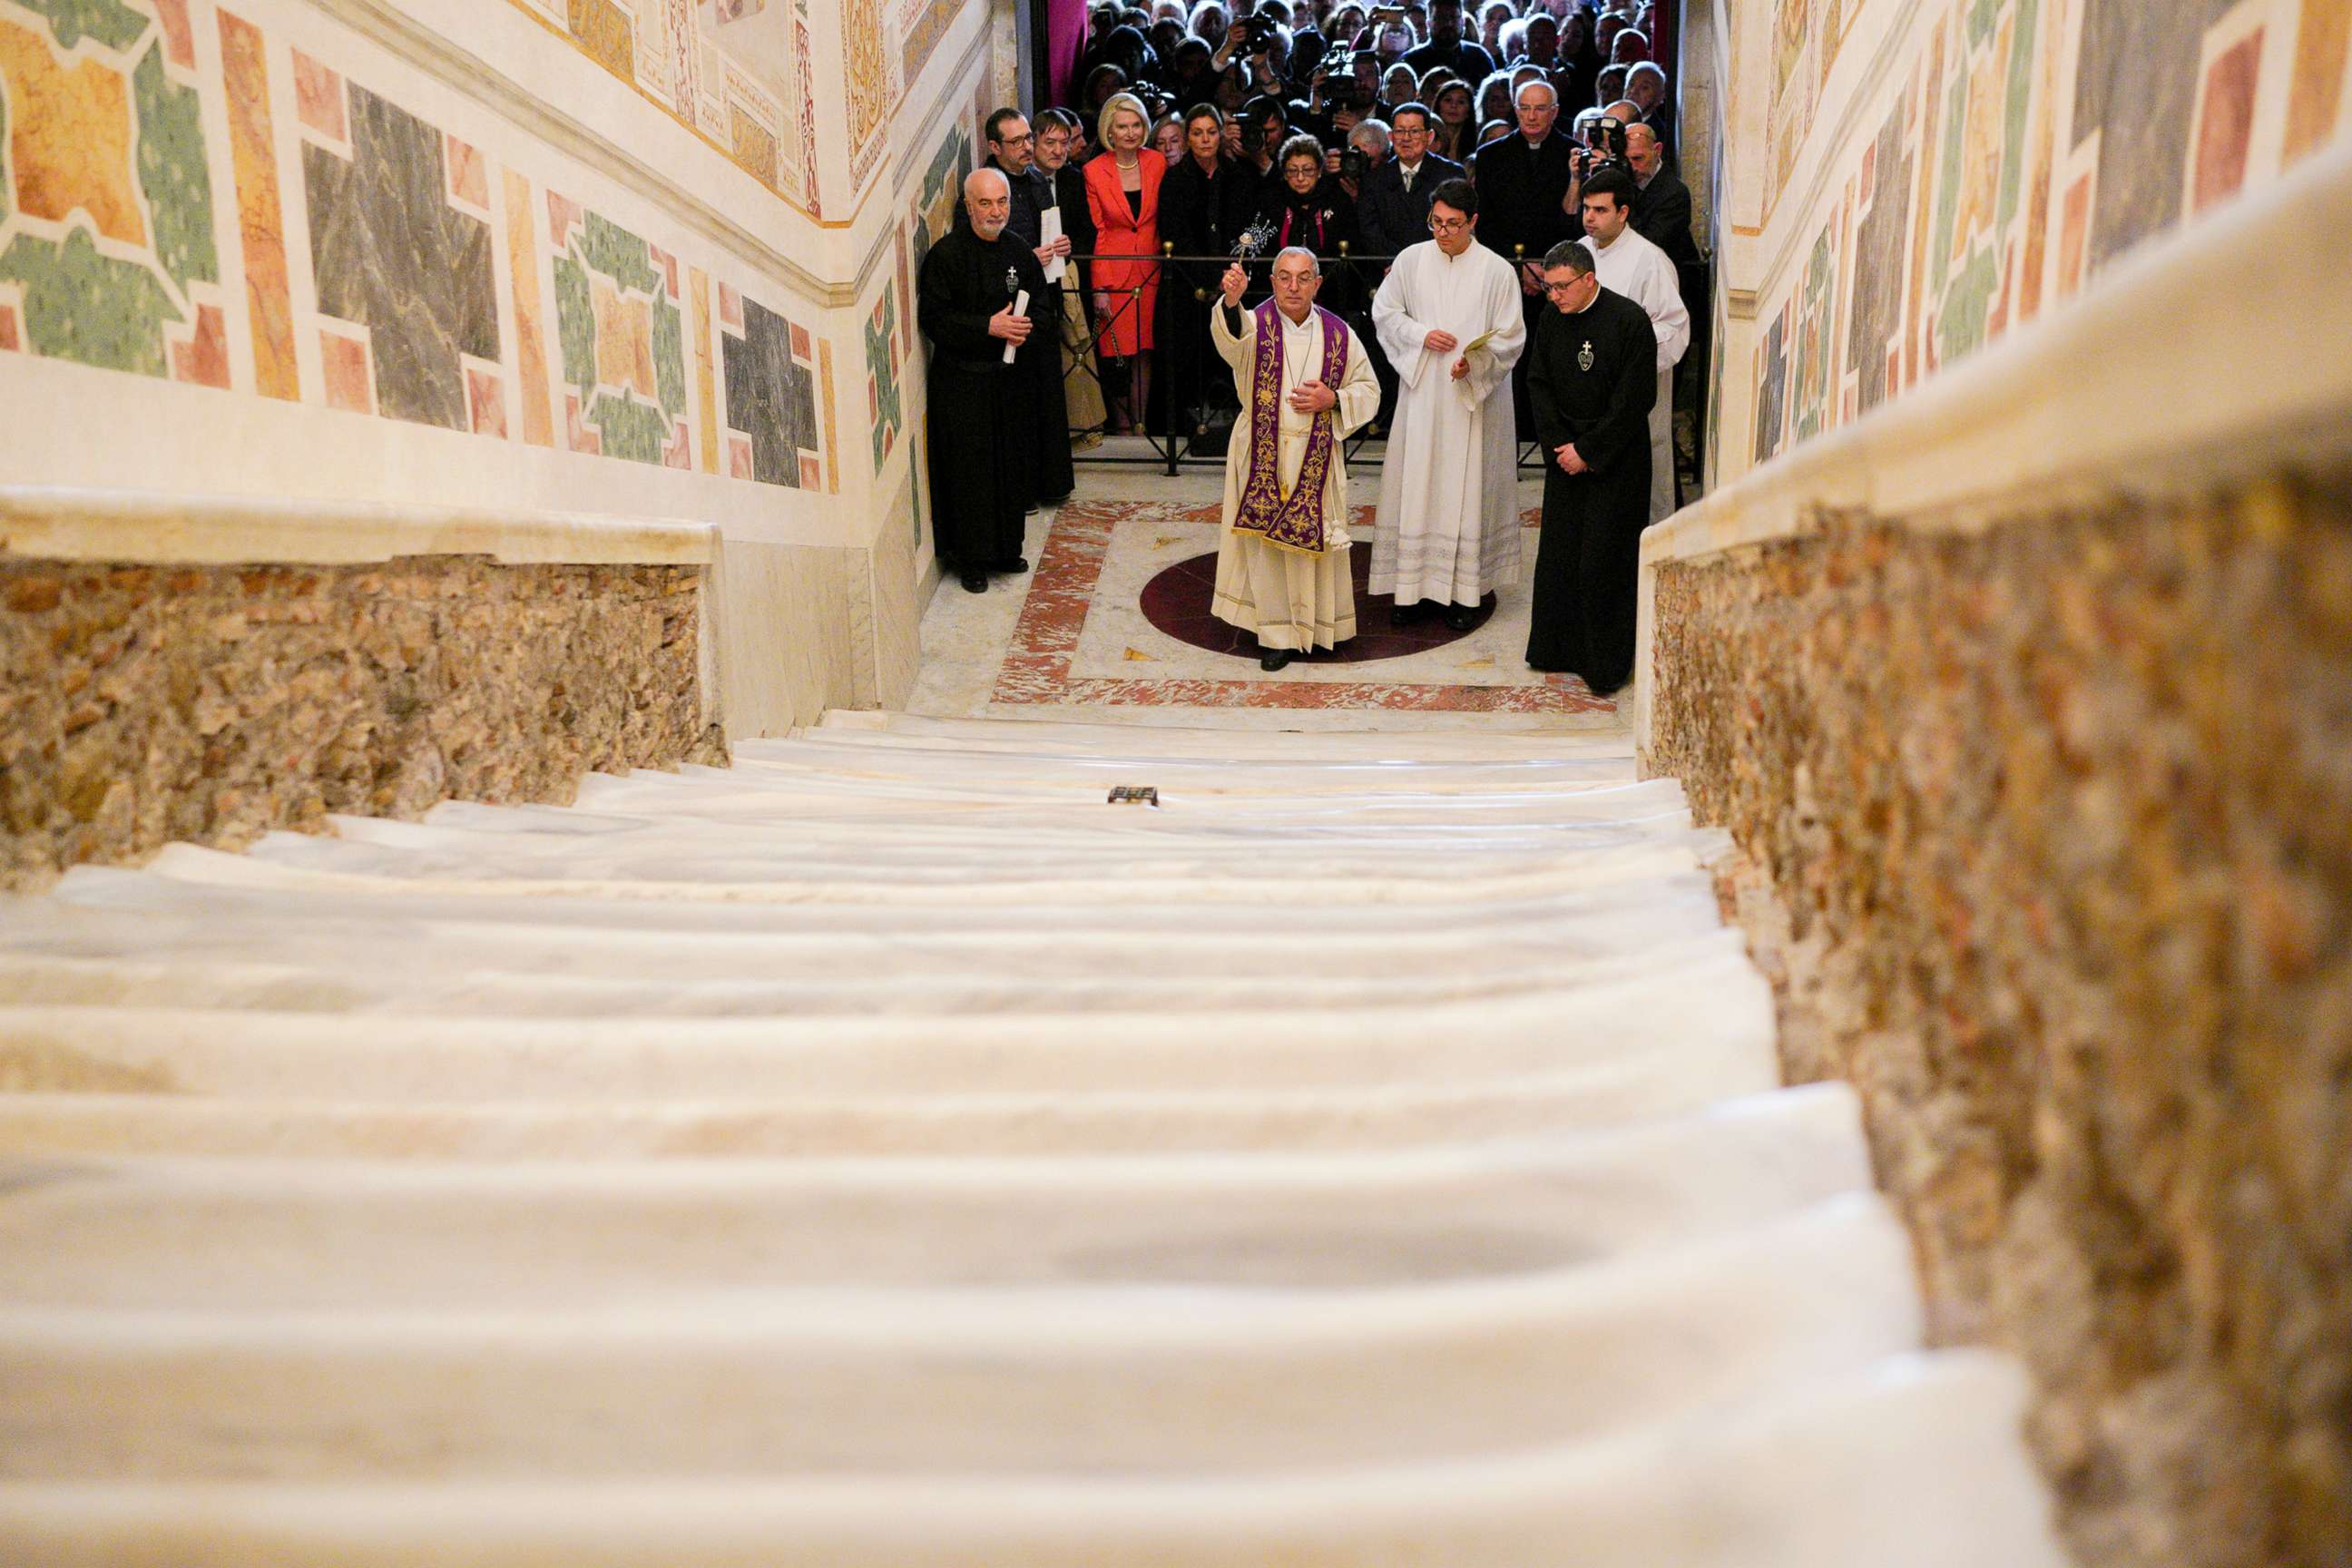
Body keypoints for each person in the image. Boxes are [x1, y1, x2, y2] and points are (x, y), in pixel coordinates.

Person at [1208, 247, 1381, 668]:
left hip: (1316, 453)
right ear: (1271, 282)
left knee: (1314, 547)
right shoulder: (1254, 324)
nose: (1293, 286)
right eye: (1284, 277)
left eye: (1304, 278)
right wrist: (1231, 301)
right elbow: (1230, 342)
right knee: (1268, 551)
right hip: (1263, 454)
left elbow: (1370, 391)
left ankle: (1321, 626)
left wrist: (1333, 398)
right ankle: (1278, 635)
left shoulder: (1340, 334)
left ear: (1317, 284)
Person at [1368, 179, 1525, 629]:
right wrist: (1421, 335)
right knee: (1417, 482)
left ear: (1473, 222)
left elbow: (1511, 337)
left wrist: (1474, 364)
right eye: (1436, 222)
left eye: (1453, 224)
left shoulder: (1497, 270)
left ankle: (1464, 592)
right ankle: (1410, 588)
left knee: (1467, 487)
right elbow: (1385, 312)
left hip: (1472, 400)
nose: (1442, 233)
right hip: (1422, 394)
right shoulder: (1411, 260)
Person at [1523, 239, 1655, 692]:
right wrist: (1561, 445)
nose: (1554, 296)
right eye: (1548, 287)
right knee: (1561, 556)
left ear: (1588, 280)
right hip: (1565, 457)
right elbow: (1537, 382)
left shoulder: (1630, 321)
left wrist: (1590, 451)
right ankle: (1555, 649)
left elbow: (1636, 399)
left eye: (1562, 287)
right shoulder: (1550, 319)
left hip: (1615, 461)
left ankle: (1605, 663)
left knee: (1604, 560)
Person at [918, 170, 1053, 594]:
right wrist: (988, 328)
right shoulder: (946, 255)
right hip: (963, 385)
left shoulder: (1019, 252)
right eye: (985, 203)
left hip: (1009, 382)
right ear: (968, 205)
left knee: (1009, 466)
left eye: (1002, 202)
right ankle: (971, 559)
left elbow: (1046, 309)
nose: (996, 211)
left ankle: (1005, 549)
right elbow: (934, 320)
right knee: (971, 473)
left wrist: (1024, 327)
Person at [1576, 166, 1686, 523]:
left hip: (1631, 392)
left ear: (1623, 213)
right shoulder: (1577, 254)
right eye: (1587, 208)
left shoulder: (1650, 260)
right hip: (1584, 388)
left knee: (1635, 493)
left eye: (1600, 210)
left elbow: (1674, 326)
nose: (1590, 218)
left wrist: (1622, 349)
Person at [1472, 77, 1579, 434]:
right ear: (1515, 109)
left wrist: (1545, 270)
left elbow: (1574, 221)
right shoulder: (1491, 155)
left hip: (1558, 277)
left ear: (1555, 113)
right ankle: (1510, 431)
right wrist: (1517, 269)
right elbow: (1484, 222)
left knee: (1550, 355)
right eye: (1525, 107)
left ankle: (1546, 432)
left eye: (1540, 108)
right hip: (1507, 273)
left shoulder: (1573, 154)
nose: (1532, 116)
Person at [981, 110, 1077, 505]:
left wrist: (1061, 250)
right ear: (994, 147)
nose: (1026, 148)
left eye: (1026, 139)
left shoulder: (1037, 179)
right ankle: (1021, 489)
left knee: (1047, 399)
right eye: (1017, 141)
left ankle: (1050, 483)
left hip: (1043, 302)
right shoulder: (985, 190)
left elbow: (1046, 236)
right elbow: (989, 254)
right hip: (1010, 311)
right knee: (1018, 406)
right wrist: (1029, 258)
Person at [1083, 92, 1167, 433]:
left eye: (1135, 125)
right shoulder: (1093, 170)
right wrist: (1099, 286)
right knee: (1116, 353)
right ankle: (1120, 427)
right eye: (1122, 127)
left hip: (1151, 270)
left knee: (1145, 350)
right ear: (1110, 131)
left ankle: (1142, 423)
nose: (1130, 132)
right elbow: (1098, 231)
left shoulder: (1157, 162)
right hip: (1114, 274)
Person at [1034, 108, 1109, 446]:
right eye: (1049, 142)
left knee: (1078, 351)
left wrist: (1070, 245)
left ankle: (1083, 428)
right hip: (1034, 280)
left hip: (1068, 276)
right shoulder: (1022, 181)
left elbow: (1087, 231)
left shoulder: (1073, 179)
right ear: (1033, 143)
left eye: (1063, 143)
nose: (1057, 151)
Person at [1355, 101, 1462, 255]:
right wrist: (1399, 264)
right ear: (1391, 136)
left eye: (1414, 131)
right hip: (1388, 268)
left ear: (1429, 136)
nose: (1406, 138)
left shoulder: (1451, 175)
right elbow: (1370, 231)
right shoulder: (1374, 179)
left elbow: (1454, 225)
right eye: (1400, 131)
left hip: (1438, 264)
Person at [1624, 122, 1694, 264]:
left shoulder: (1675, 193)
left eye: (1638, 158)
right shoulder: (1624, 182)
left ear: (1657, 150)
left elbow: (1648, 245)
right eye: (1626, 160)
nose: (1632, 167)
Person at [1401, 0, 1495, 83]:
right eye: (1441, 18)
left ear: (1462, 22)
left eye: (1453, 17)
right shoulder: (1411, 60)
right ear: (1428, 24)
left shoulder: (1479, 58)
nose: (1448, 23)